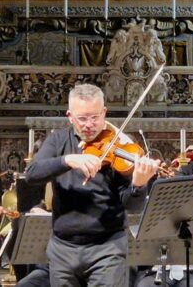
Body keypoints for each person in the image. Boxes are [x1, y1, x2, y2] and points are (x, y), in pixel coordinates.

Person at [25, 83, 160, 286]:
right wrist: (68, 160)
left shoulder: (121, 147)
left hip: (107, 248)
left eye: (95, 117)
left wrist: (138, 185)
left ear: (104, 112)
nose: (89, 124)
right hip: (63, 248)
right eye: (82, 118)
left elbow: (133, 206)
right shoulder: (57, 141)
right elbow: (32, 174)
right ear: (70, 116)